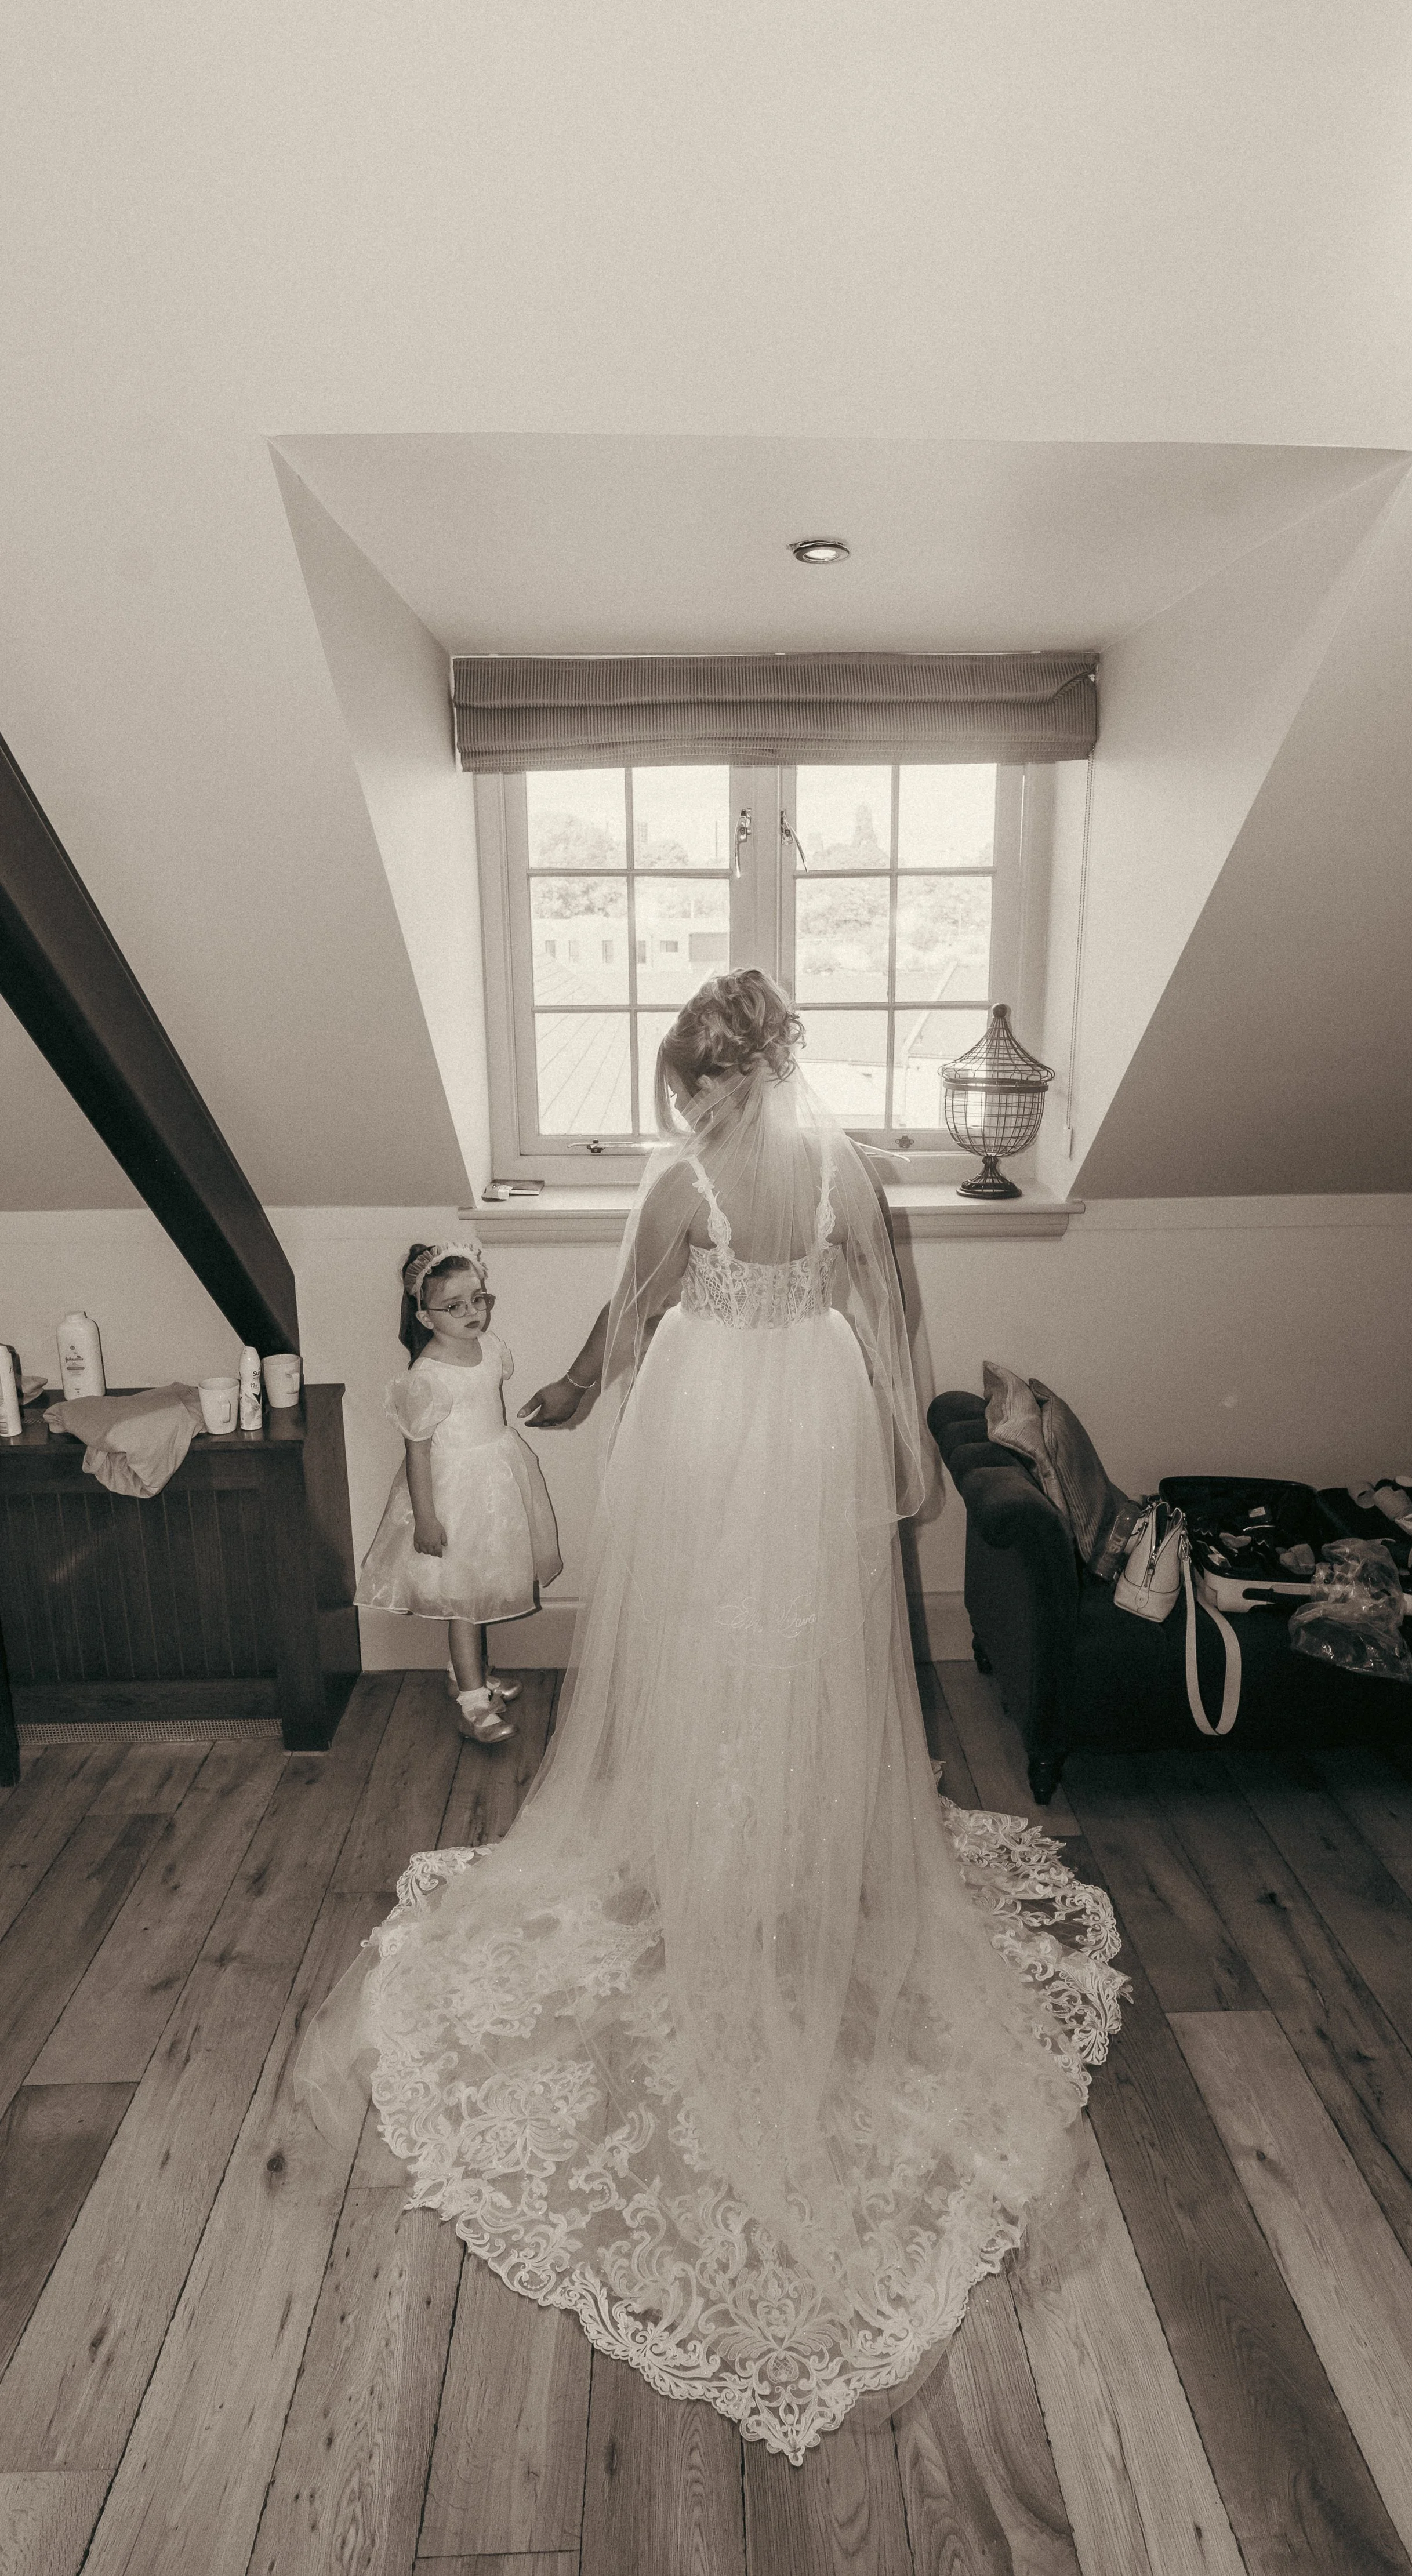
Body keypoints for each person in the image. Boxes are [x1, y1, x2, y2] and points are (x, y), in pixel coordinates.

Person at [297, 972, 1126, 2462]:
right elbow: (862, 1306)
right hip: (792, 1403)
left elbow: (651, 1309)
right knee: (736, 1629)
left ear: (745, 1073)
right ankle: (744, 1848)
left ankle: (757, 1853)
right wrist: (878, 1415)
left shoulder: (704, 1183)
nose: (689, 1115)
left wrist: (872, 1423)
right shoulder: (836, 1169)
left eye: (701, 1089)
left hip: (751, 1413)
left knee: (772, 1631)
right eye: (688, 1096)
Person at [353, 1242, 562, 1743]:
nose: (473, 1313)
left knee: (481, 1583)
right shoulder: (425, 1376)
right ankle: (472, 1702)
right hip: (453, 1494)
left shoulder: (490, 1349)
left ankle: (466, 1672)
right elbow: (418, 1454)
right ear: (426, 1317)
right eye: (455, 1306)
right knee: (465, 1599)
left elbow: (493, 1388)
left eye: (479, 1299)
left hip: (498, 1477)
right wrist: (426, 1518)